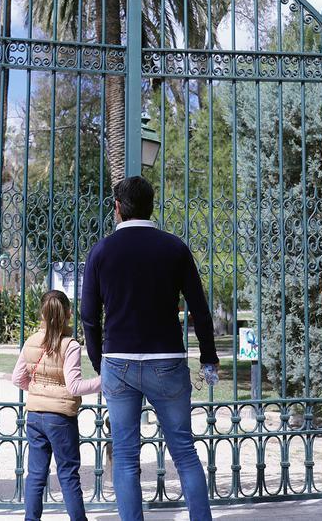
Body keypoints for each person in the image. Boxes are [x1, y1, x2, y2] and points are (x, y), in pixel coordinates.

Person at [80, 175, 219, 521]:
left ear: (117, 208)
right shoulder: (174, 248)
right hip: (167, 361)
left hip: (118, 362)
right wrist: (208, 358)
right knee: (185, 452)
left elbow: (88, 317)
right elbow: (200, 309)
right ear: (151, 206)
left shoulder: (100, 252)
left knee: (126, 457)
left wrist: (100, 362)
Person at [11, 290, 102, 521]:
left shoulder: (31, 341)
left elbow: (17, 379)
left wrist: (39, 390)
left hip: (35, 416)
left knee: (36, 475)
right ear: (68, 313)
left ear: (42, 313)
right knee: (68, 474)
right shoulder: (69, 345)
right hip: (60, 418)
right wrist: (104, 381)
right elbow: (74, 387)